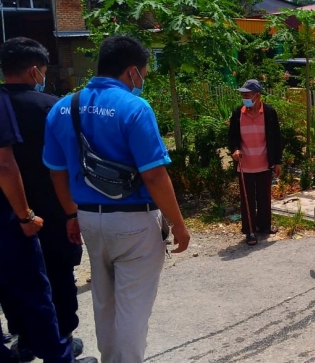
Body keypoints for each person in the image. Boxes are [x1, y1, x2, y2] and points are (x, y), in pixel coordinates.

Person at [43, 35, 190, 362]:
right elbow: (154, 174)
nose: (143, 80)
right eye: (145, 73)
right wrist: (178, 224)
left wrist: (71, 215)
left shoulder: (62, 107)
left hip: (88, 219)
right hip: (134, 221)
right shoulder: (135, 108)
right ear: (132, 71)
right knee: (133, 308)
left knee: (104, 301)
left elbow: (56, 171)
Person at [0, 79, 96, 363]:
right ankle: (61, 345)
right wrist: (71, 212)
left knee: (11, 284)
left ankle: (25, 340)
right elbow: (71, 158)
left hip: (10, 210)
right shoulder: (52, 107)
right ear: (34, 70)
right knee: (49, 281)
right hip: (46, 209)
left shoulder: (8, 102)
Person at [228, 79, 283, 246]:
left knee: (264, 197)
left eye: (247, 95)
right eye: (243, 95)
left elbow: (276, 138)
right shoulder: (238, 113)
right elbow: (232, 136)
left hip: (264, 162)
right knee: (247, 200)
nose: (244, 97)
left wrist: (277, 161)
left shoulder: (269, 112)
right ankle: (250, 231)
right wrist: (235, 149)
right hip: (245, 165)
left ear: (257, 95)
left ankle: (265, 226)